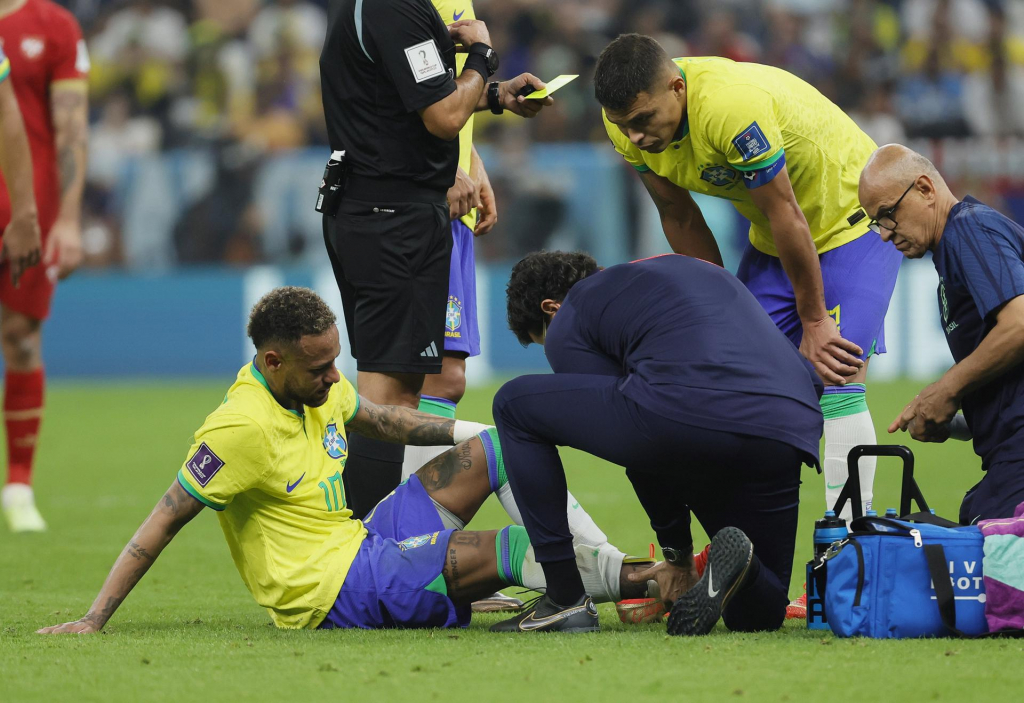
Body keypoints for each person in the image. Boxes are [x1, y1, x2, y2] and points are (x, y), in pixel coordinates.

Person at [37, 287, 654, 634]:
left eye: (336, 360)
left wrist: (493, 426)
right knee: (514, 547)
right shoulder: (238, 429)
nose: (336, 377)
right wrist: (94, 618)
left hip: (365, 539)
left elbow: (387, 419)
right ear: (273, 363)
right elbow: (161, 522)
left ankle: (595, 578)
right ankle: (648, 582)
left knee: (498, 447)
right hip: (336, 590)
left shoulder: (317, 386)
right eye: (320, 367)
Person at [593, 34, 902, 529]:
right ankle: (742, 555)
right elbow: (678, 213)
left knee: (837, 374)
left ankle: (848, 557)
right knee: (732, 384)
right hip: (774, 239)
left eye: (643, 121)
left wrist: (815, 319)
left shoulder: (731, 109)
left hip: (851, 223)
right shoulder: (624, 122)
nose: (635, 137)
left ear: (677, 88)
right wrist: (715, 307)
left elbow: (787, 213)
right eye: (622, 125)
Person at [489, 252, 824, 635]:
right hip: (788, 426)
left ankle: (564, 599)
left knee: (513, 405)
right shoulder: (689, 269)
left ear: (551, 308)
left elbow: (641, 450)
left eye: (542, 339)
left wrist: (677, 554)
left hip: (692, 416)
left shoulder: (574, 309)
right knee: (755, 616)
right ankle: (741, 562)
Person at [319, 0, 551, 520]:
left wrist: (492, 94)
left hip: (375, 211)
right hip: (393, 220)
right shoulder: (395, 7)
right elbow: (444, 116)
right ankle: (368, 563)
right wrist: (483, 55)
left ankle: (383, 556)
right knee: (387, 404)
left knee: (393, 396)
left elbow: (403, 93)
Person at [859, 144, 1024, 524]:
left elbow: (1018, 324)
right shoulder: (950, 264)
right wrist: (949, 419)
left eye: (888, 214)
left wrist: (946, 389)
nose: (884, 234)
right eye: (876, 222)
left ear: (925, 189)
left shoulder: (968, 227)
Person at [0, 0, 89, 533]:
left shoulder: (53, 25)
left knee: (22, 337)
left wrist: (70, 221)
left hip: (28, 207)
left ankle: (18, 484)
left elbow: (71, 127)